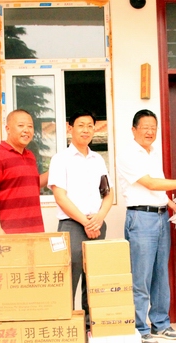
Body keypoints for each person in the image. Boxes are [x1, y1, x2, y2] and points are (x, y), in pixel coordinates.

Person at [117, 109, 176, 343]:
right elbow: (150, 183)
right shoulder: (128, 155)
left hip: (160, 216)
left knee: (160, 273)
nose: (150, 132)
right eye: (145, 127)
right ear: (133, 130)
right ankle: (140, 328)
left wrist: (174, 205)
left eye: (153, 128)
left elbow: (159, 190)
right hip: (141, 218)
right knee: (141, 276)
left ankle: (160, 323)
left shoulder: (153, 153)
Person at [48, 109, 113, 319]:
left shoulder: (98, 159)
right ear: (70, 128)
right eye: (81, 125)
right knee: (69, 279)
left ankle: (89, 324)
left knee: (94, 279)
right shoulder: (60, 159)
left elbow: (108, 193)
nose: (86, 130)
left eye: (90, 126)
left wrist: (100, 218)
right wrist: (86, 222)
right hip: (72, 225)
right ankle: (67, 326)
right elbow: (60, 197)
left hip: (97, 224)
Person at [0, 109, 47, 234]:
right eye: (21, 125)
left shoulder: (30, 156)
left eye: (30, 126)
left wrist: (57, 168)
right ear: (8, 129)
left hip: (35, 231)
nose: (26, 130)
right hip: (8, 233)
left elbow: (33, 184)